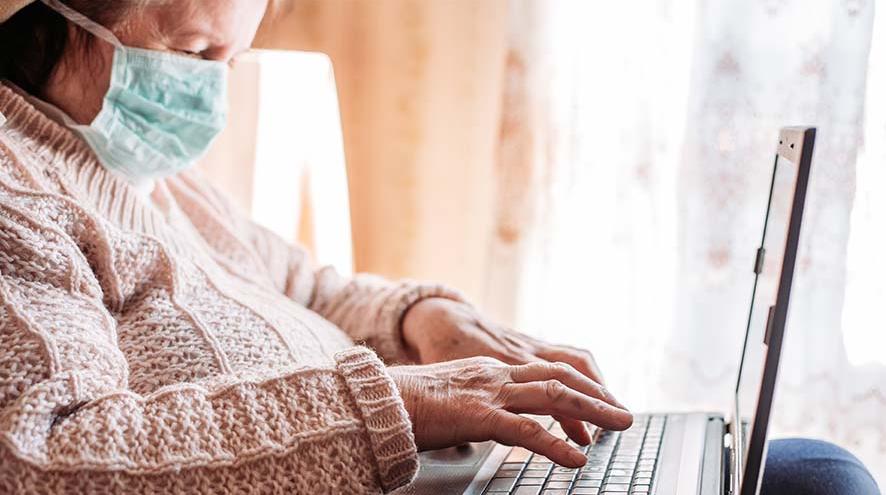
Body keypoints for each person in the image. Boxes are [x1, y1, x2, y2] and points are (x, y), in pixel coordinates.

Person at [0, 1, 879, 494]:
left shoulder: (149, 173)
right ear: (51, 19)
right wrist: (397, 402)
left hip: (421, 473)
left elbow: (308, 285)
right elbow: (48, 455)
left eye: (234, 58)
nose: (211, 91)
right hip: (385, 463)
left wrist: (426, 318)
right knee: (821, 486)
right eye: (194, 51)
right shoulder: (18, 191)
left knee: (802, 468)